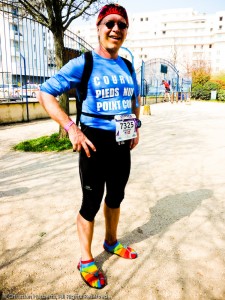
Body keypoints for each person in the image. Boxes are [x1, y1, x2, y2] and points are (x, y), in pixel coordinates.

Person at [36, 3, 141, 289]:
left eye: (122, 24)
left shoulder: (128, 65)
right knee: (91, 202)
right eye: (109, 24)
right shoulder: (85, 62)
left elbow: (134, 99)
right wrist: (71, 128)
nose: (115, 29)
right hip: (93, 142)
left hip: (121, 141)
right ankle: (85, 258)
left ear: (126, 31)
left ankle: (110, 241)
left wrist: (136, 125)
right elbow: (45, 92)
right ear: (98, 29)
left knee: (116, 196)